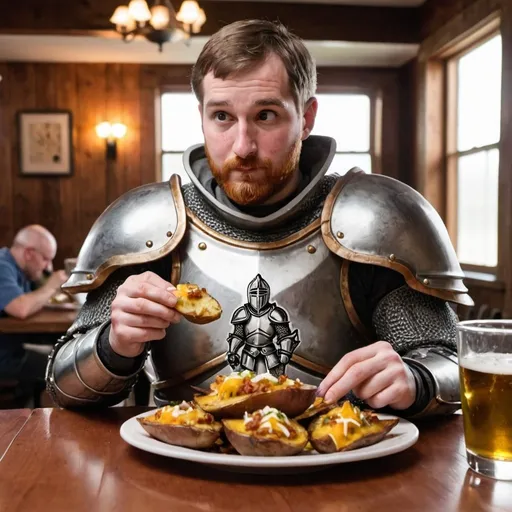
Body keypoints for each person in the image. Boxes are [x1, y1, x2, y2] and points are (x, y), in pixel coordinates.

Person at [46, 19, 472, 417]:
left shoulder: (376, 221)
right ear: (202, 118)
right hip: (179, 472)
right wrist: (114, 343)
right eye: (222, 117)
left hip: (335, 476)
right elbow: (64, 387)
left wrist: (416, 380)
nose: (243, 146)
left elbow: (454, 366)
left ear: (305, 118)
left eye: (265, 115)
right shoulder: (147, 226)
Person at [0, 225, 67, 397]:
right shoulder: (2, 266)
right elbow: (20, 308)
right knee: (64, 369)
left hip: (13, 349)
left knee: (61, 356)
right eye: (46, 259)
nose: (48, 267)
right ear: (29, 253)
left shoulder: (21, 271)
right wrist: (51, 286)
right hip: (5, 359)